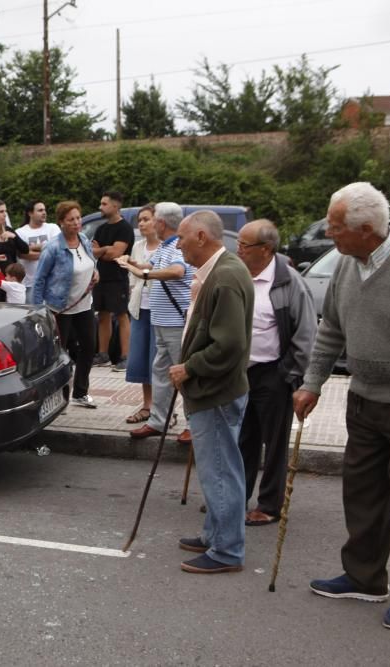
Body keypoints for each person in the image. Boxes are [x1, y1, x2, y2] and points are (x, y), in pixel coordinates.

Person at [295, 183, 390, 630]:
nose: (330, 235)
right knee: (363, 493)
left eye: (337, 229)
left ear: (368, 229)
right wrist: (312, 382)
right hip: (363, 400)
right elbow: (331, 328)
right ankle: (365, 577)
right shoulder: (346, 265)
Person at [168, 210, 254, 574]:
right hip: (216, 389)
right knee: (217, 468)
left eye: (183, 239)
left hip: (216, 391)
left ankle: (226, 551)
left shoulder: (225, 277)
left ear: (202, 237)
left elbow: (229, 344)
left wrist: (190, 367)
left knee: (220, 471)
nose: (178, 245)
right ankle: (215, 535)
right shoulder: (223, 271)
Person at [235, 219, 316, 526]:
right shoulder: (239, 274)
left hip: (274, 372)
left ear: (265, 249)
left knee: (274, 441)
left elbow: (307, 333)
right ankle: (236, 496)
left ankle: (269, 505)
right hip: (241, 373)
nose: (238, 249)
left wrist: (292, 374)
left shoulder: (288, 282)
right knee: (243, 438)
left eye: (244, 245)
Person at [119, 202, 194, 445]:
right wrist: (133, 264)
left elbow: (177, 272)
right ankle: (158, 421)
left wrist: (145, 275)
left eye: (154, 220)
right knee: (160, 372)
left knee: (184, 375)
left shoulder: (178, 247)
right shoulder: (165, 247)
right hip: (161, 322)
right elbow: (150, 266)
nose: (150, 224)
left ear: (161, 223)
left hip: (175, 323)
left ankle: (194, 425)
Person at [32, 201, 99, 409]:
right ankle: (58, 397)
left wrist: (95, 273)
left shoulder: (85, 240)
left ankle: (81, 393)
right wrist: (36, 311)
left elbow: (89, 263)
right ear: (61, 222)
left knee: (89, 347)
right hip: (60, 308)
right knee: (59, 354)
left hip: (85, 306)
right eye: (71, 220)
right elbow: (39, 280)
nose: (77, 223)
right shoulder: (53, 248)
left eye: (78, 218)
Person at [121, 205, 161, 424]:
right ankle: (147, 405)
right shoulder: (137, 246)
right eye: (140, 220)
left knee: (160, 361)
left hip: (162, 312)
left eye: (146, 219)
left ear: (158, 221)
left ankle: (164, 409)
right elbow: (133, 278)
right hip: (139, 309)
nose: (142, 223)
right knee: (142, 359)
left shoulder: (167, 247)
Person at [91, 190, 135, 371]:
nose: (100, 207)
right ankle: (103, 354)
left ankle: (125, 356)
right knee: (103, 315)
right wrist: (104, 250)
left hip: (118, 279)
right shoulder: (100, 229)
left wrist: (104, 251)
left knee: (121, 315)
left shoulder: (124, 228)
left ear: (115, 206)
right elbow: (94, 251)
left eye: (104, 204)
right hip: (101, 278)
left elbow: (115, 254)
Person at [14, 201, 61, 304]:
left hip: (52, 283)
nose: (44, 213)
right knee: (34, 317)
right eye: (40, 210)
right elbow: (22, 254)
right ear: (30, 213)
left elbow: (57, 249)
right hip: (30, 284)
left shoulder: (53, 228)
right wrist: (47, 251)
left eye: (44, 210)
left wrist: (33, 247)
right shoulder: (20, 232)